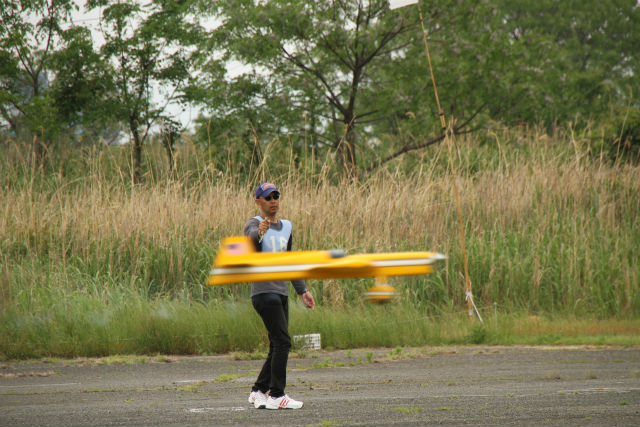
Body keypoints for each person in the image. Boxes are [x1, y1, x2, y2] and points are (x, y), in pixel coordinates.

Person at [244, 182, 315, 410]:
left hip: (281, 292)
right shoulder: (253, 224)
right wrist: (260, 232)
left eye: (276, 196)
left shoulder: (287, 227)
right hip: (264, 293)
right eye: (268, 197)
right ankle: (276, 395)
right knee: (283, 341)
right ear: (258, 202)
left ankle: (258, 391)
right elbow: (250, 239)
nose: (273, 200)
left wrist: (302, 290)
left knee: (277, 343)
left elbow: (289, 261)